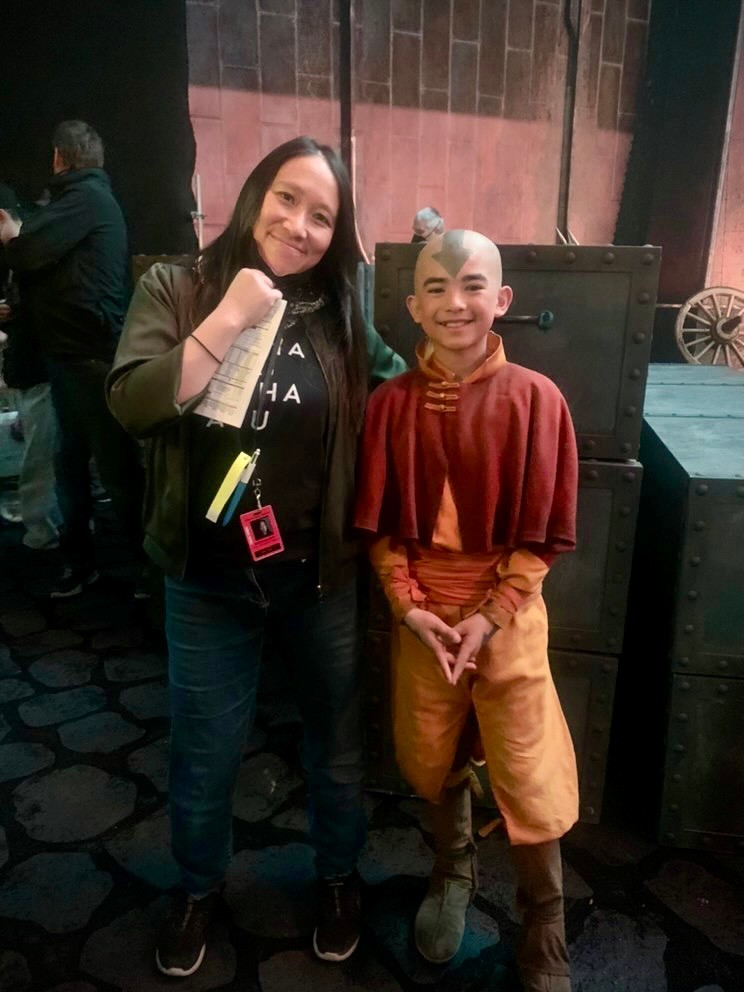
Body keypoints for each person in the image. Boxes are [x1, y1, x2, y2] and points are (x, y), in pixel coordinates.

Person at [106, 136, 406, 978]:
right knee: (205, 750)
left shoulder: (341, 307)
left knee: (336, 747)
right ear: (252, 195)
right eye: (287, 199)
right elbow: (132, 402)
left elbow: (398, 384)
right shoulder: (178, 285)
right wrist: (230, 315)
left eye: (323, 216)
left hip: (320, 577)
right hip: (207, 578)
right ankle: (199, 889)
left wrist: (480, 366)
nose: (300, 226)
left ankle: (338, 878)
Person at [355, 230, 579, 991]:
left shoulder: (537, 401)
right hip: (422, 615)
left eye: (473, 285)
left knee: (525, 764)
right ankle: (451, 874)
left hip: (506, 614)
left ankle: (544, 918)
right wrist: (409, 607)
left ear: (502, 300)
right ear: (413, 306)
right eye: (438, 288)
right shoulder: (389, 406)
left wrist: (492, 612)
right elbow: (382, 530)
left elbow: (542, 536)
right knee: (432, 751)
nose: (456, 302)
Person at [0, 121, 146, 597]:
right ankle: (84, 565)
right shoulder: (83, 202)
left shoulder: (85, 201)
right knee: (77, 466)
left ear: (61, 158)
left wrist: (11, 238)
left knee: (115, 472)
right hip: (73, 358)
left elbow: (26, 252)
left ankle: (150, 574)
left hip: (91, 359)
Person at [0, 183, 60, 550]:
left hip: (39, 367)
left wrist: (13, 314)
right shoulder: (22, 251)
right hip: (27, 367)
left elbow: (43, 311)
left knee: (40, 455)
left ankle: (44, 530)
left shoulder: (31, 252)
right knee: (36, 450)